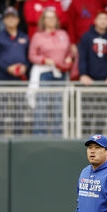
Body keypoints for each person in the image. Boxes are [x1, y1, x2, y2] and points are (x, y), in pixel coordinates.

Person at [27, 7, 73, 135]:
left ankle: (58, 137)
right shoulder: (38, 36)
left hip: (61, 73)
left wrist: (69, 58)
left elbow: (69, 51)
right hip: (45, 74)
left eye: (53, 17)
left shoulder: (63, 34)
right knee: (42, 108)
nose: (51, 20)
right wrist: (44, 60)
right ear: (43, 20)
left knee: (59, 108)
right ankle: (39, 137)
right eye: (48, 17)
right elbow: (32, 56)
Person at [0, 7, 29, 81]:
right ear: (4, 20)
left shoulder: (24, 36)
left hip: (21, 76)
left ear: (18, 20)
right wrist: (7, 68)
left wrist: (25, 66)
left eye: (13, 17)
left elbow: (28, 56)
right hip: (3, 76)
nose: (11, 19)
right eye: (8, 17)